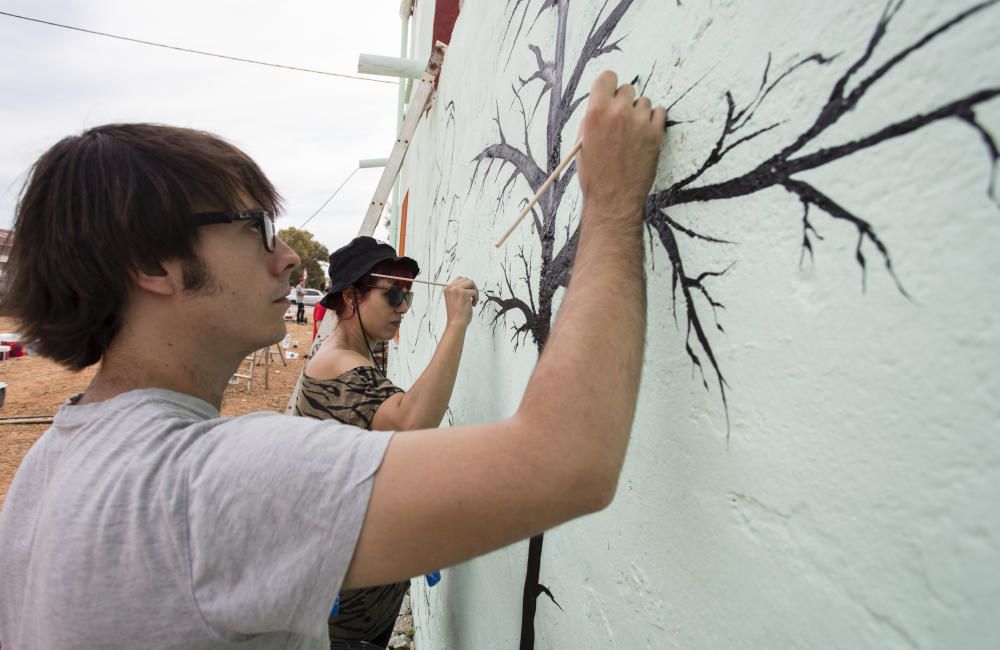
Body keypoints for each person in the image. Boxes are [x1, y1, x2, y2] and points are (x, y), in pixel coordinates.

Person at [0, 71, 665, 648]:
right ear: (153, 265)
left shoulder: (48, 469)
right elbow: (567, 463)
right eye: (256, 228)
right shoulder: (213, 482)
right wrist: (609, 203)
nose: (287, 256)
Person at [294, 236, 477, 647]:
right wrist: (456, 324)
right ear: (351, 297)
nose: (402, 308)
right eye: (392, 294)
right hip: (348, 611)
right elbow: (412, 420)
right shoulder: (343, 368)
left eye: (407, 297)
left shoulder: (338, 354)